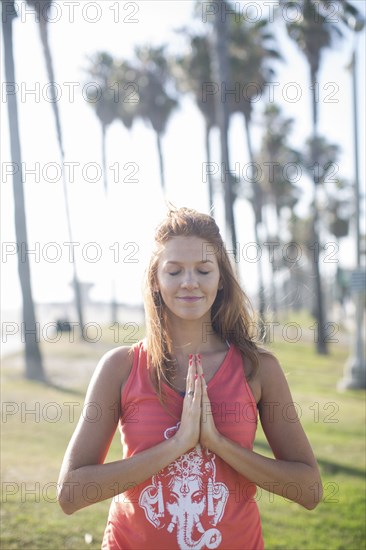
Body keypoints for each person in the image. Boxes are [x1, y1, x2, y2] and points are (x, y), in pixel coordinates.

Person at [57, 207, 323, 549]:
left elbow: (310, 490)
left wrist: (218, 443)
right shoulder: (121, 367)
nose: (189, 282)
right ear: (155, 279)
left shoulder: (258, 369)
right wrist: (177, 444)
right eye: (174, 271)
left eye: (203, 270)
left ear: (221, 278)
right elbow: (70, 494)